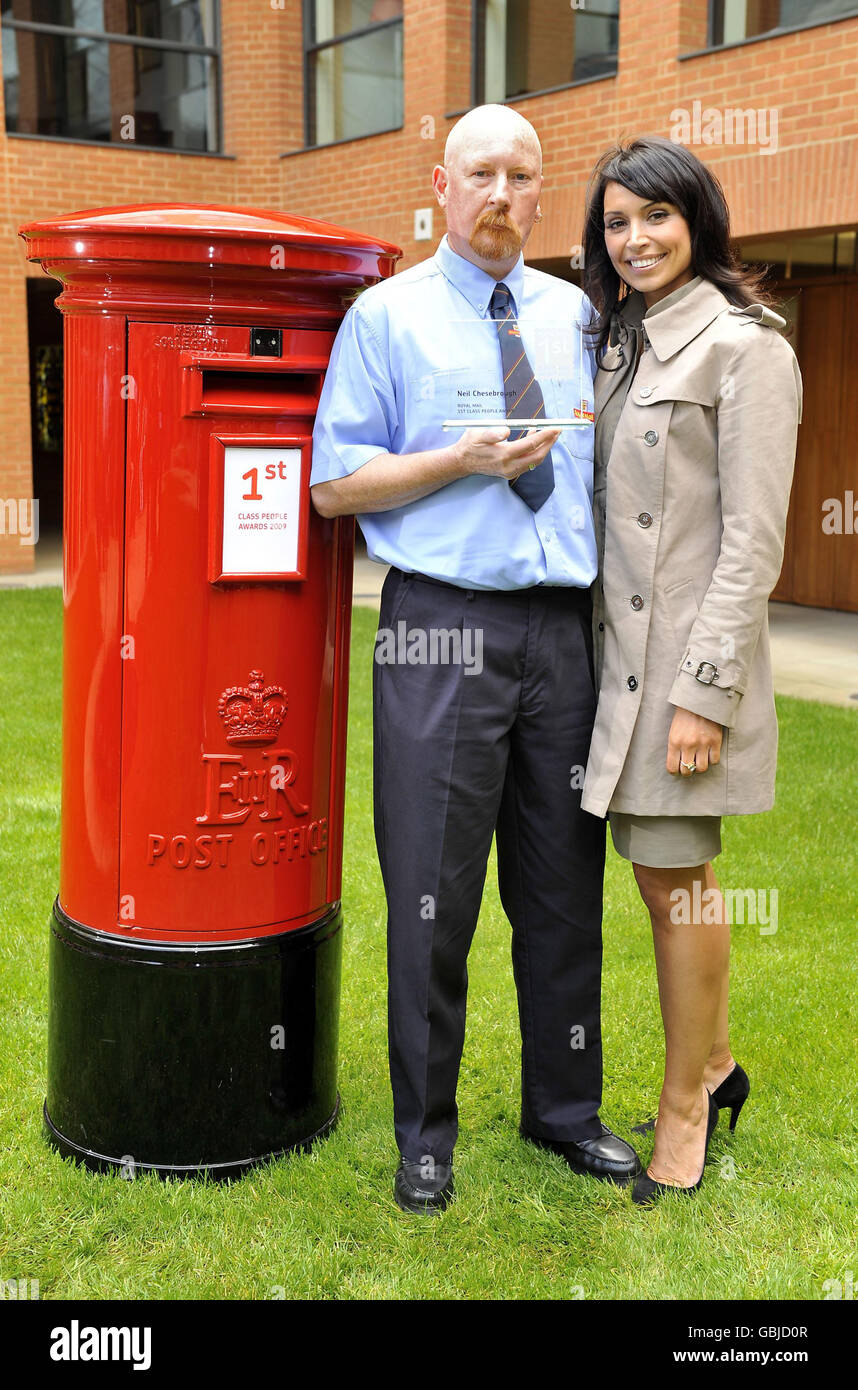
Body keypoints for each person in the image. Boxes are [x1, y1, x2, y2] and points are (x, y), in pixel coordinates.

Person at [311, 104, 640, 1213]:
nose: (501, 192)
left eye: (522, 175)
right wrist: (451, 460)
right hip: (439, 624)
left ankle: (564, 1111)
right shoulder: (384, 318)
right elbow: (332, 486)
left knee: (562, 893)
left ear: (543, 194)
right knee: (432, 897)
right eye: (481, 173)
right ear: (441, 185)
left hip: (563, 634)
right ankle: (426, 1133)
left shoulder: (581, 318)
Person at [580, 136, 802, 1204]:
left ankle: (684, 1113)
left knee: (676, 882)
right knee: (660, 875)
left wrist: (704, 694)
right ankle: (716, 1068)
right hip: (608, 672)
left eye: (655, 217)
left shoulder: (748, 347)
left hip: (679, 680)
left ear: (699, 220)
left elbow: (755, 544)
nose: (635, 239)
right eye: (617, 222)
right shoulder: (617, 341)